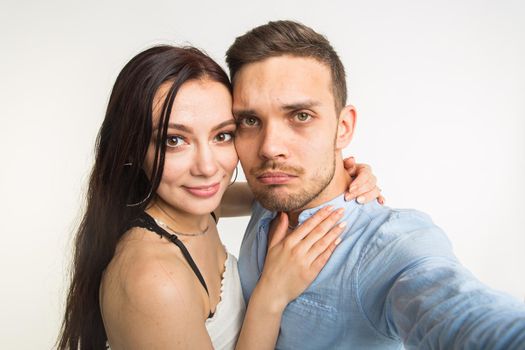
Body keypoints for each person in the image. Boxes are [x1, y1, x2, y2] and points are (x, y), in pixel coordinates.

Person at [226, 20, 525, 349]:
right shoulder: (270, 195)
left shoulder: (391, 246)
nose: (269, 147)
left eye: (300, 116)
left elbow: (460, 311)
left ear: (343, 127)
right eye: (250, 121)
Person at [57, 45, 380, 349]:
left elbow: (264, 194)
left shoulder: (192, 211)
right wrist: (273, 294)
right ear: (132, 147)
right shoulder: (154, 280)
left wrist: (344, 177)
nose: (208, 168)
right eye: (174, 141)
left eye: (222, 135)